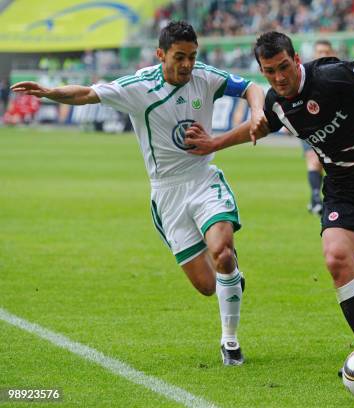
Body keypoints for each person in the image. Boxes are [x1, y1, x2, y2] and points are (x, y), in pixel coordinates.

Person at [184, 31, 354, 356]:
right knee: (336, 259)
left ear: (296, 60)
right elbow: (256, 128)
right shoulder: (276, 102)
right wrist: (215, 142)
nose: (279, 77)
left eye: (283, 67)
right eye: (269, 71)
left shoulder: (329, 75)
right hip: (345, 188)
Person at [11, 21, 267, 366]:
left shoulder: (205, 76)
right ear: (160, 54)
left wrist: (256, 113)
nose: (188, 64)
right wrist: (49, 92)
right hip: (168, 194)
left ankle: (230, 341)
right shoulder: (138, 86)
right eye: (180, 57)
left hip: (204, 178)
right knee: (208, 285)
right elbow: (86, 94)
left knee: (222, 252)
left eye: (192, 56)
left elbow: (251, 86)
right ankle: (231, 279)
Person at [302, 39, 336, 216]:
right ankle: (316, 198)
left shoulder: (339, 74)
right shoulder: (305, 75)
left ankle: (324, 199)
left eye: (326, 52)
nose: (322, 55)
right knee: (312, 159)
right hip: (310, 127)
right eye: (319, 52)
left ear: (332, 54)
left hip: (335, 129)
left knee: (329, 166)